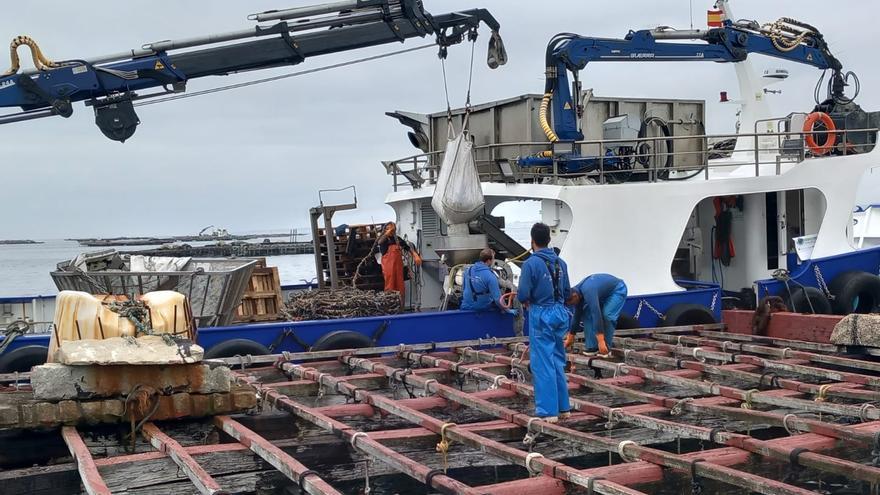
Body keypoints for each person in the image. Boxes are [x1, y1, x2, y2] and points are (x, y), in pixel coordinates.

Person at [517, 223, 571, 422]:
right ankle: (564, 408)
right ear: (549, 239)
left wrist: (528, 300)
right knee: (557, 359)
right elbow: (567, 291)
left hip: (541, 313)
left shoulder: (530, 264)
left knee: (542, 362)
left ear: (532, 241)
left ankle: (548, 411)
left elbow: (523, 294)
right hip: (560, 313)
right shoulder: (561, 263)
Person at [568, 274, 628, 358]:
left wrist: (601, 341)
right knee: (586, 313)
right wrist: (570, 336)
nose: (572, 306)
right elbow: (576, 316)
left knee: (607, 315)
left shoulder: (588, 291)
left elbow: (596, 313)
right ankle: (592, 347)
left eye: (571, 304)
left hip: (617, 290)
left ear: (575, 296)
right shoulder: (578, 294)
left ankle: (605, 348)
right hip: (602, 294)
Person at [376, 222, 420, 307]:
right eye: (388, 228)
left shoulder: (398, 239)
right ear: (385, 230)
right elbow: (379, 242)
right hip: (388, 267)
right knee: (390, 285)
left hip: (398, 266)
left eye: (393, 229)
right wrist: (387, 233)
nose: (391, 230)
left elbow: (407, 248)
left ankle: (401, 307)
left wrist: (415, 255)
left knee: (400, 286)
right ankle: (389, 306)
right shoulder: (383, 239)